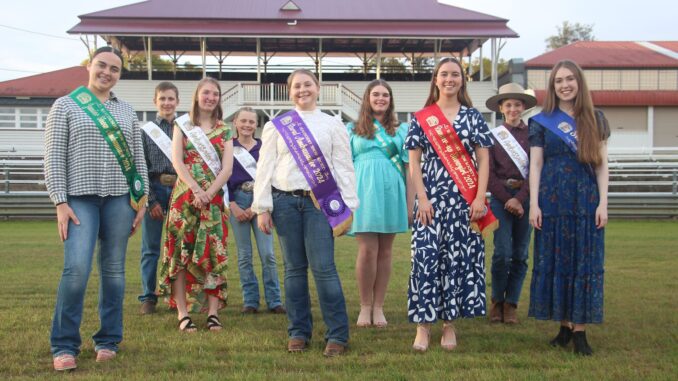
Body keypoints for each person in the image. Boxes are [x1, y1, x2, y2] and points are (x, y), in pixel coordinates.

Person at [44, 46, 148, 371]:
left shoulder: (127, 111)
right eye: (102, 66)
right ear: (90, 66)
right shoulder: (65, 106)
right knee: (76, 271)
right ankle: (64, 345)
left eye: (114, 69)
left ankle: (108, 340)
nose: (107, 73)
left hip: (119, 199)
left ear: (119, 75)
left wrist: (141, 200)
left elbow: (138, 158)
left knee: (114, 273)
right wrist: (60, 201)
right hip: (78, 199)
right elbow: (53, 157)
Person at [252, 69, 358, 357]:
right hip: (284, 202)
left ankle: (337, 334)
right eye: (296, 86)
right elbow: (265, 167)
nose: (302, 90)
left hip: (319, 205)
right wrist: (262, 207)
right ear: (290, 91)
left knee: (324, 269)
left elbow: (344, 166)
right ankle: (298, 331)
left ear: (318, 88)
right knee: (294, 271)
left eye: (307, 84)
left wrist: (348, 205)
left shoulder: (333, 124)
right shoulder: (277, 125)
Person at [405, 57, 496, 352]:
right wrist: (421, 196)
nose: (449, 79)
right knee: (425, 260)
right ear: (435, 79)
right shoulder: (421, 117)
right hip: (429, 202)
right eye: (444, 74)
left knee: (456, 261)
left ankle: (449, 325)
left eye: (455, 74)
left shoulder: (473, 117)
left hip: (463, 202)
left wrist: (480, 196)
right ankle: (423, 326)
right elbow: (414, 162)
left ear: (462, 80)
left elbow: (483, 159)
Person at [528, 59, 609, 356]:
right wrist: (534, 203)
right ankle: (564, 327)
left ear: (579, 82)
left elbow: (602, 166)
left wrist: (603, 202)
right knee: (556, 260)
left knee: (583, 261)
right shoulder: (541, 121)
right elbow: (535, 165)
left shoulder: (595, 119)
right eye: (559, 80)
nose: (564, 85)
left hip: (585, 200)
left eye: (570, 79)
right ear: (552, 86)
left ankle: (580, 332)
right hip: (551, 199)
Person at [157, 77, 234, 333]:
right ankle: (183, 313)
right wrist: (196, 190)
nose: (210, 97)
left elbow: (227, 168)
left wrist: (209, 192)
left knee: (213, 253)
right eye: (206, 93)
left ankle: (213, 313)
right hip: (184, 198)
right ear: (197, 96)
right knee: (180, 252)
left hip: (212, 202)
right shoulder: (183, 124)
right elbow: (177, 161)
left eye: (215, 93)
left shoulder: (225, 129)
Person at [347, 79, 413, 328]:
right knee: (367, 250)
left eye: (385, 95)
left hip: (392, 190)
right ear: (368, 98)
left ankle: (379, 307)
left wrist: (410, 204)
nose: (380, 98)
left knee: (386, 251)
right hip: (363, 190)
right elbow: (345, 165)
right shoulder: (352, 129)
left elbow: (410, 168)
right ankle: (365, 306)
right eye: (376, 94)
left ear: (390, 99)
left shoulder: (402, 129)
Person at [484, 83, 537, 324]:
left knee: (520, 254)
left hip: (525, 198)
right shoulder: (493, 137)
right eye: (508, 105)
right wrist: (508, 200)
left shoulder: (533, 135)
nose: (513, 108)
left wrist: (520, 198)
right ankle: (496, 301)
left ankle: (511, 303)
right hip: (500, 198)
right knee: (502, 253)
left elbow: (536, 170)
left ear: (523, 107)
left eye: (517, 104)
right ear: (501, 108)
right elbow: (489, 174)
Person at [227, 106, 285, 315]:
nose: (247, 125)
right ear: (235, 122)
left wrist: (256, 207)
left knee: (268, 253)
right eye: (243, 121)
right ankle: (250, 301)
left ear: (256, 125)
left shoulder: (263, 147)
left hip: (260, 202)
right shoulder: (228, 147)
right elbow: (222, 178)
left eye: (251, 122)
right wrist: (233, 205)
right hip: (236, 200)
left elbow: (270, 177)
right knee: (244, 255)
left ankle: (274, 300)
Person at [138, 81, 179, 315]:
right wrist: (151, 200)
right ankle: (148, 296)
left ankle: (176, 294)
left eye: (170, 98)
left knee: (179, 245)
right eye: (162, 98)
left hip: (178, 189)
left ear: (177, 102)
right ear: (155, 101)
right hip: (154, 187)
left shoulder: (186, 128)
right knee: (151, 248)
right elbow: (140, 167)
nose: (166, 103)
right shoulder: (146, 131)